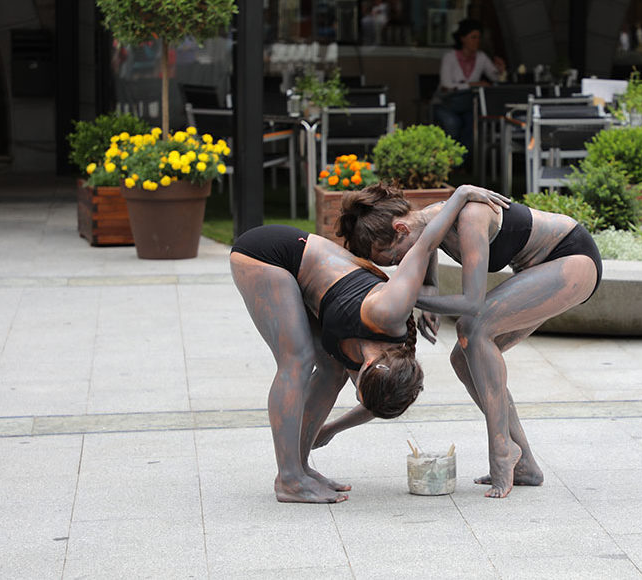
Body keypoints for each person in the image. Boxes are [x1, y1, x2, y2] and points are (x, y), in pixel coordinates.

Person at [314, 185, 602, 499]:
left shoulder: (469, 216)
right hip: (539, 267)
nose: (400, 267)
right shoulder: (432, 224)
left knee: (473, 330)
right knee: (462, 359)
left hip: (572, 258)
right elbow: (427, 260)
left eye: (395, 258)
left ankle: (502, 451)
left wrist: (405, 299)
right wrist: (428, 292)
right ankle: (525, 465)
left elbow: (472, 302)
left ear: (400, 229)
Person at [230, 184, 508, 504]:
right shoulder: (389, 310)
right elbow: (424, 244)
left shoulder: (386, 367)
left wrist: (332, 428)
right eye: (360, 389)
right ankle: (290, 478)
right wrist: (460, 196)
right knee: (297, 361)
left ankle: (300, 467)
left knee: (332, 371)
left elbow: (378, 402)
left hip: (308, 282)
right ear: (369, 367)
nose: (357, 392)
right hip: (269, 254)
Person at [433, 18, 506, 157]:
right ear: (462, 39)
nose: (477, 41)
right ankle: (449, 160)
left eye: (478, 37)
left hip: (468, 105)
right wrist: (472, 85)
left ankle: (461, 161)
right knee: (452, 124)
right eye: (473, 37)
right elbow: (446, 85)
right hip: (446, 104)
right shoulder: (449, 57)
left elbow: (495, 78)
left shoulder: (481, 57)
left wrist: (500, 70)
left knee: (474, 125)